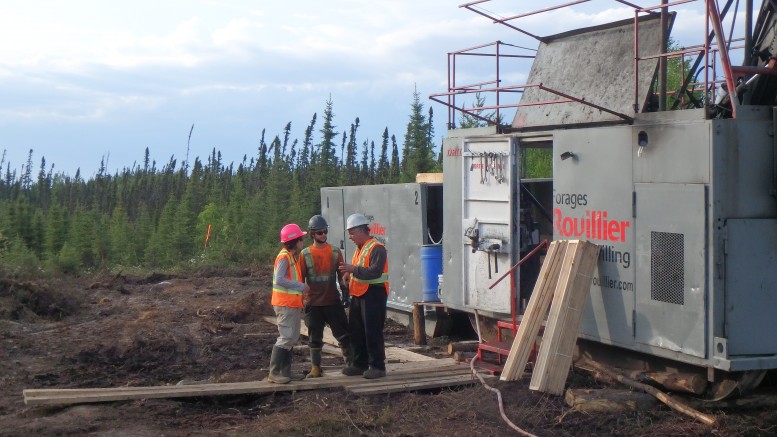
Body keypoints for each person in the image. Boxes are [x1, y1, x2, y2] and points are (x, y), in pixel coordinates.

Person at [298, 215, 351, 378]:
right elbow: (300, 280)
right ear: (312, 234)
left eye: (325, 232)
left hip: (332, 301)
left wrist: (346, 293)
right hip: (313, 303)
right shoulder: (305, 254)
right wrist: (301, 301)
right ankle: (316, 368)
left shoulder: (335, 252)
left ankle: (350, 364)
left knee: (343, 334)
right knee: (314, 337)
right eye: (320, 233)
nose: (323, 235)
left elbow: (342, 276)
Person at [338, 213, 389, 379]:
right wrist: (349, 276)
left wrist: (352, 270)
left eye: (352, 233)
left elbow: (374, 271)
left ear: (361, 231)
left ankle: (377, 366)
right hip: (359, 295)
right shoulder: (360, 249)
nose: (350, 237)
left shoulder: (377, 248)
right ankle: (359, 364)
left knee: (372, 331)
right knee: (357, 331)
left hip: (374, 295)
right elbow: (359, 269)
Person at [267, 223, 310, 384]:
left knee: (291, 337)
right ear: (295, 241)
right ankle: (275, 372)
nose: (303, 241)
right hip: (284, 304)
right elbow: (279, 279)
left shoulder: (290, 256)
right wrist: (301, 286)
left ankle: (285, 372)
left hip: (291, 304)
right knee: (286, 337)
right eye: (301, 238)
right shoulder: (284, 257)